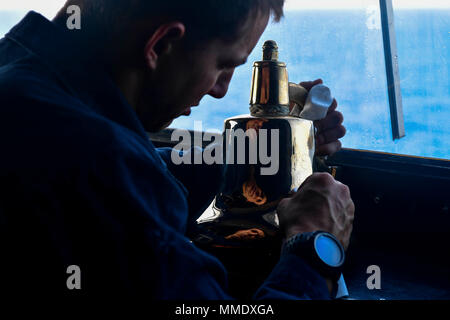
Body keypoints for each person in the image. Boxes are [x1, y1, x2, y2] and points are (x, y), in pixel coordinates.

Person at [0, 0, 354, 299]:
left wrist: (262, 156)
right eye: (224, 64)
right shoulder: (104, 168)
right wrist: (313, 246)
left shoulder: (21, 80)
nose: (219, 89)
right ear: (161, 44)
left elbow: (143, 164)